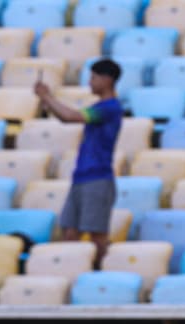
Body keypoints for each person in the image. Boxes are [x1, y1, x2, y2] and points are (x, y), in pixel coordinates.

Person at [34, 59, 123, 267]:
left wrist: (48, 96)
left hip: (98, 177)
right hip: (81, 176)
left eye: (93, 77)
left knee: (97, 236)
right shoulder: (100, 107)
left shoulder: (110, 108)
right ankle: (73, 271)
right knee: (70, 232)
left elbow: (71, 117)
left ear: (107, 79)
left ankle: (101, 275)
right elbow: (66, 117)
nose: (89, 82)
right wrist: (46, 100)